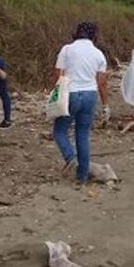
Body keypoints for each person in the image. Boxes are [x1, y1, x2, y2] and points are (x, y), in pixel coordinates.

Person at [50, 22, 109, 184]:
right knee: (82, 135)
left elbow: (57, 75)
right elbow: (102, 83)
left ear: (77, 32)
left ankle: (70, 158)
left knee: (60, 131)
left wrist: (54, 97)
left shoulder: (67, 49)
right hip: (90, 94)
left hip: (71, 93)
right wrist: (106, 105)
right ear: (94, 35)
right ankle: (81, 177)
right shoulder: (98, 54)